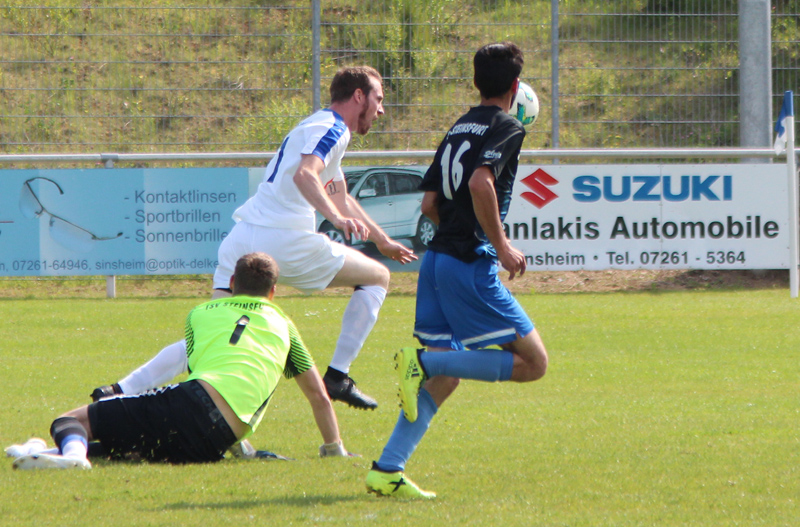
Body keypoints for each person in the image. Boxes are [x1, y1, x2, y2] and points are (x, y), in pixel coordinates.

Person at [90, 66, 416, 410]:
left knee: (210, 334)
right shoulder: (333, 128)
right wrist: (336, 220)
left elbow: (338, 193)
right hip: (284, 241)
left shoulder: (315, 125)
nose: (381, 110)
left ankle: (121, 389)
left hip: (242, 238)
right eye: (379, 99)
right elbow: (307, 176)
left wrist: (381, 240)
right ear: (359, 96)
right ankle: (338, 375)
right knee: (378, 277)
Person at [364, 42, 549, 499]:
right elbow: (480, 181)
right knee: (534, 364)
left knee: (445, 379)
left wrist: (458, 234)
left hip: (437, 262)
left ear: (475, 83)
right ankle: (420, 361)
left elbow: (429, 205)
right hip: (468, 264)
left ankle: (387, 469)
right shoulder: (507, 125)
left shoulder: (457, 127)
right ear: (514, 87)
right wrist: (500, 246)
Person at [8, 252, 353, 470]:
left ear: (231, 284)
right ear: (274, 293)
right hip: (215, 441)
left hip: (192, 402)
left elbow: (199, 379)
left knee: (70, 419)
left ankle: (69, 456)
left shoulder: (200, 313)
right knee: (131, 451)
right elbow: (319, 396)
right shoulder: (285, 325)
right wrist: (333, 450)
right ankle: (44, 456)